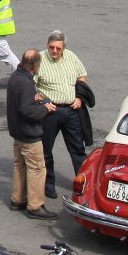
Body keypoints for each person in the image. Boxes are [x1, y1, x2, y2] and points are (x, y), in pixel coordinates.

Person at [35, 30, 89, 201]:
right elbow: (31, 85)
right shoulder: (39, 59)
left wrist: (79, 97)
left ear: (64, 47)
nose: (54, 51)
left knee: (78, 149)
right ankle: (48, 185)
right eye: (51, 47)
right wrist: (43, 102)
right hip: (50, 112)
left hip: (71, 110)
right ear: (47, 45)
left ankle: (84, 184)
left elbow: (82, 76)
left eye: (58, 48)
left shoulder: (71, 56)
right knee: (46, 150)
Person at [8, 48, 57, 218]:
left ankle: (18, 199)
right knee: (37, 168)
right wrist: (45, 108)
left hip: (17, 132)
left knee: (20, 165)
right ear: (35, 66)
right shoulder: (26, 83)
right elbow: (28, 111)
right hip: (29, 134)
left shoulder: (15, 77)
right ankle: (35, 206)